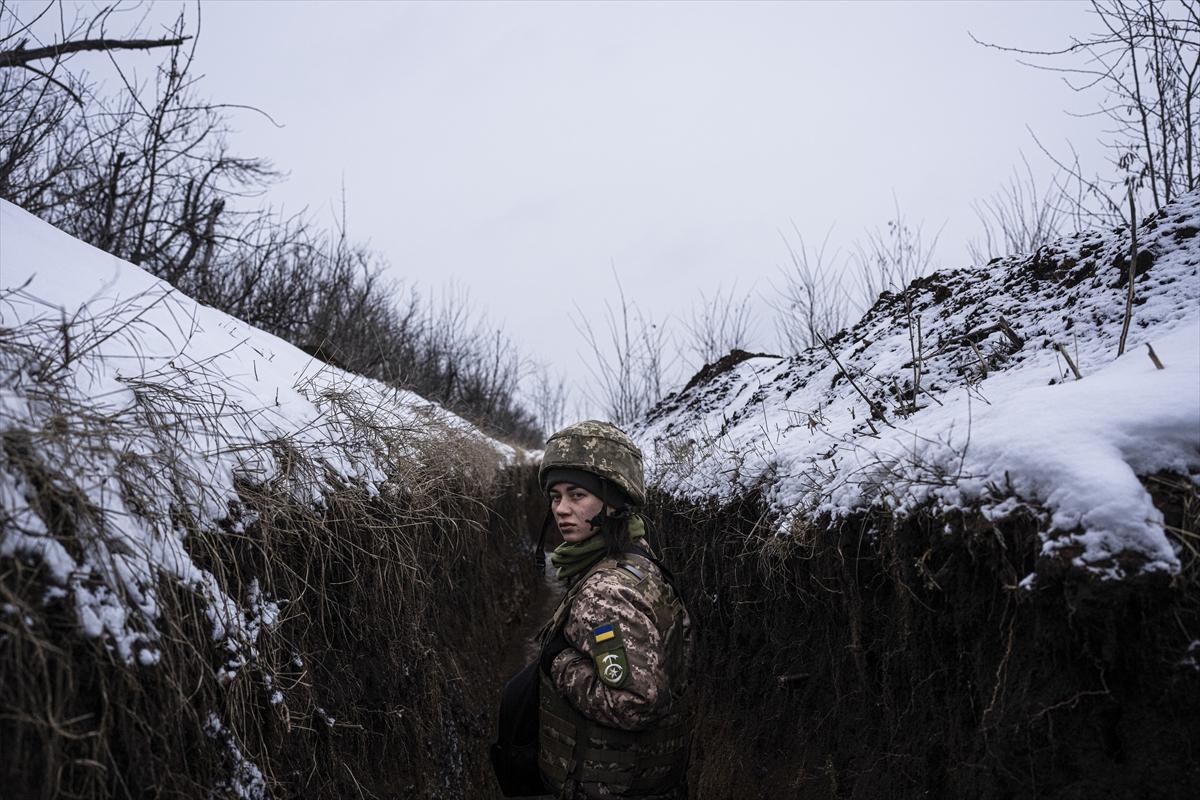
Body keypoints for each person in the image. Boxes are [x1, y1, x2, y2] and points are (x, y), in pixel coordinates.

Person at [535, 420, 692, 800]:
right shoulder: (637, 560)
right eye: (555, 497)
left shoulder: (608, 591)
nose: (562, 509)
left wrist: (560, 662)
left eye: (577, 495)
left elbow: (635, 704)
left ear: (615, 501)